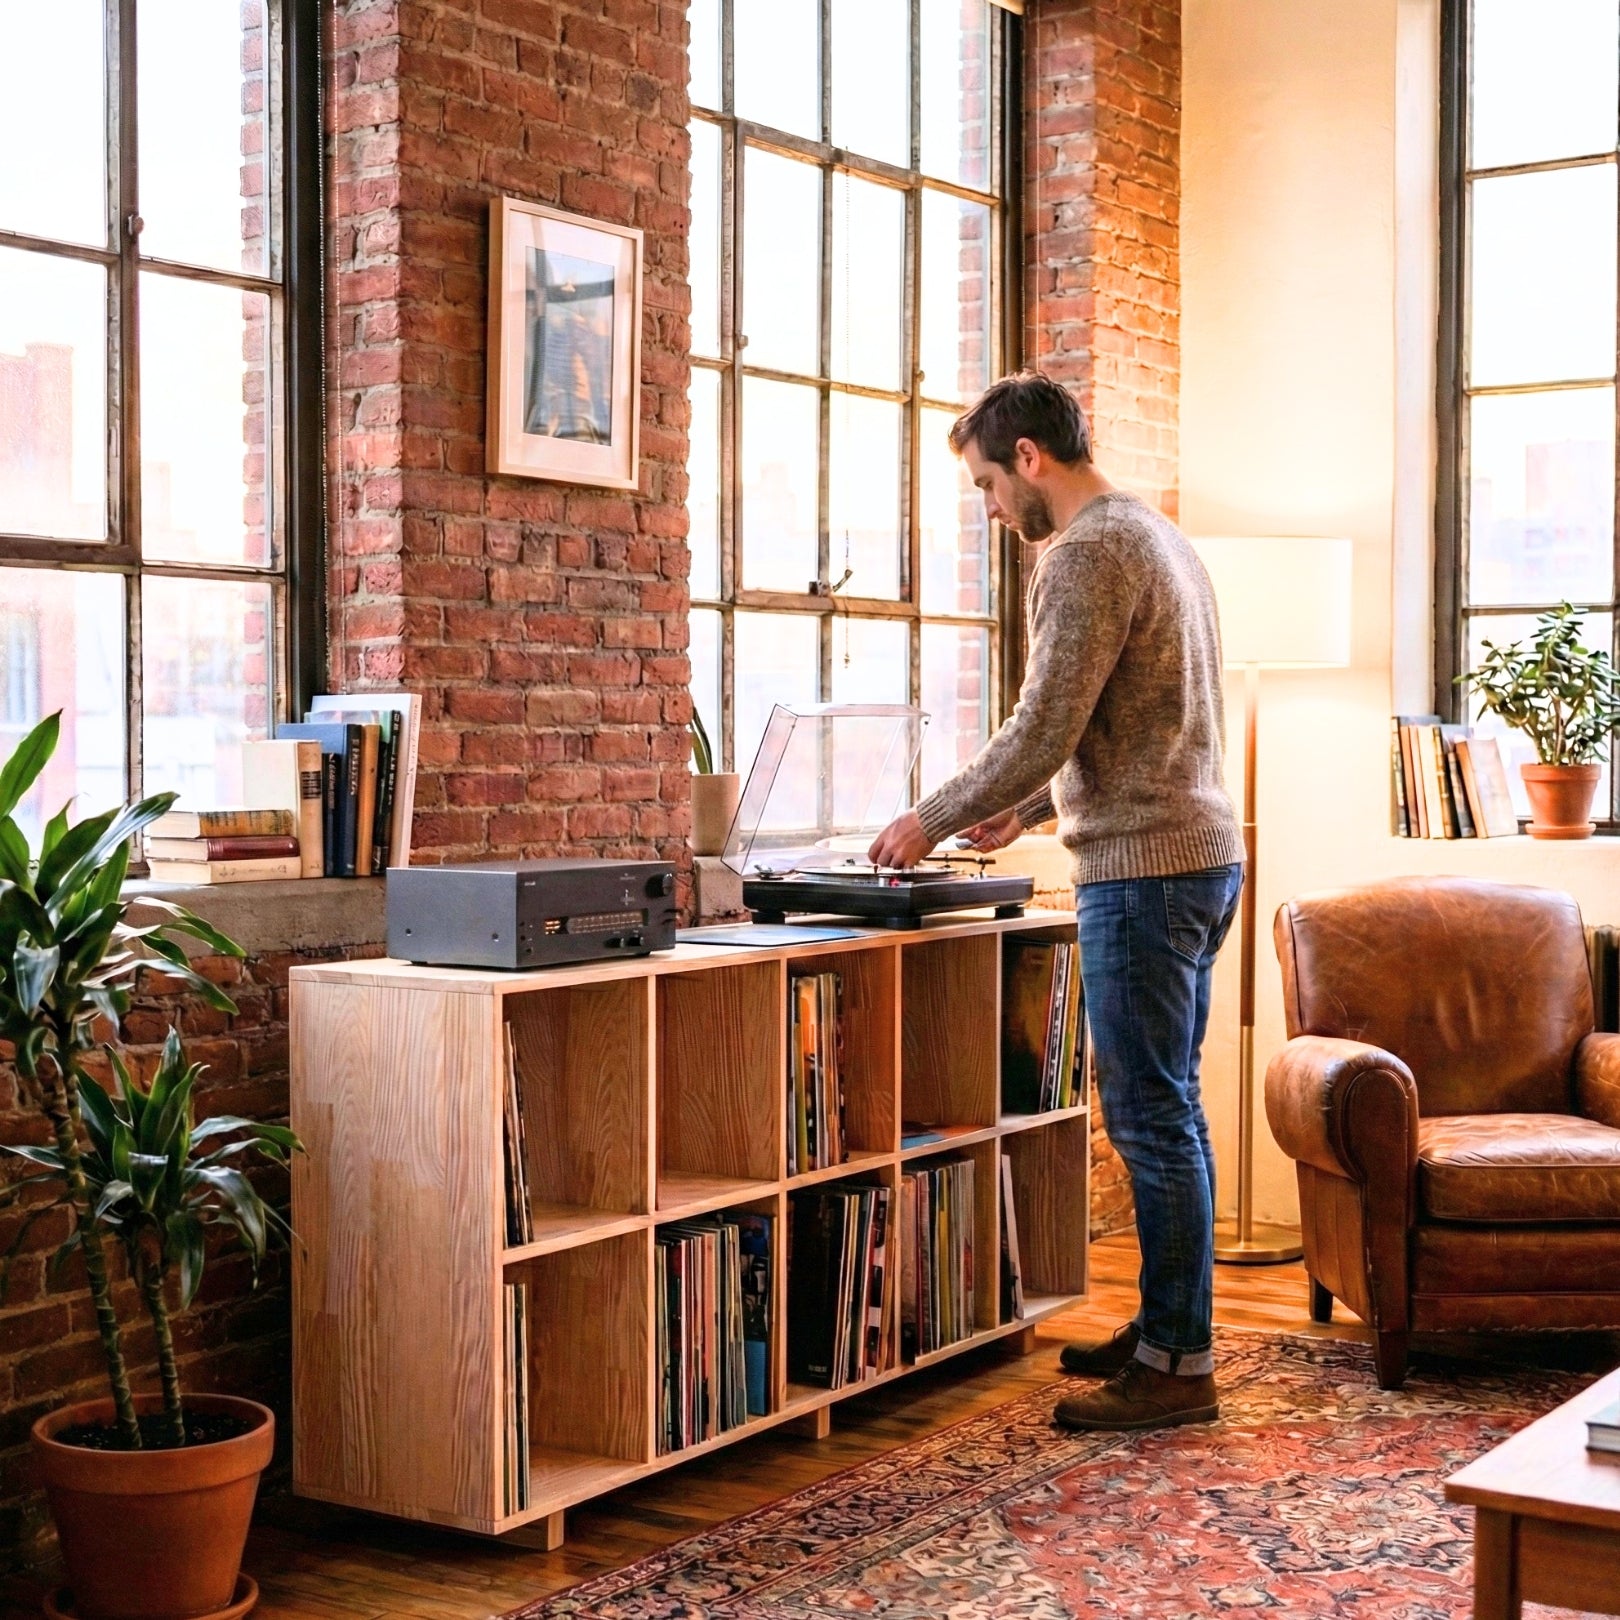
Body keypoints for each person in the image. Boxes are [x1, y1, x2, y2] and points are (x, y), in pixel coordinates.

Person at [868, 371, 1243, 1433]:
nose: (992, 509)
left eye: (988, 484)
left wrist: (928, 820)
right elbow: (1122, 717)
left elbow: (1043, 723)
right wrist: (1025, 815)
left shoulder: (1082, 553)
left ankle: (1178, 1367)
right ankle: (1175, 1329)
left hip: (1144, 874)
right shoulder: (1158, 535)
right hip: (1201, 859)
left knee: (1149, 1116)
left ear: (1029, 458)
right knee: (1173, 1111)